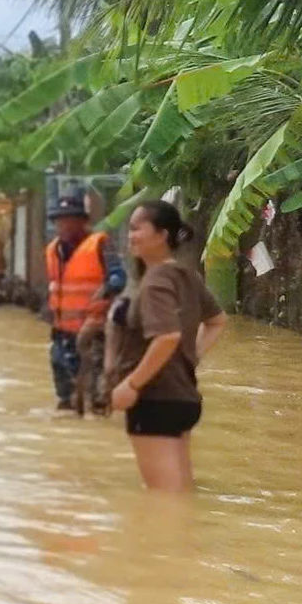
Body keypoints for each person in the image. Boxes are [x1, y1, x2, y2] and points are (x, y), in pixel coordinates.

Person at [107, 200, 228, 491]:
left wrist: (132, 385)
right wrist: (191, 357)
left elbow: (167, 336)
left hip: (155, 400)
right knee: (181, 494)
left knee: (165, 501)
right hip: (183, 398)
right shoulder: (186, 275)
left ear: (162, 235)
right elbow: (218, 321)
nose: (130, 236)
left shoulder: (155, 282)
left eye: (137, 229)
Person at [45, 194, 125, 410]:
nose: (63, 225)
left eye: (69, 219)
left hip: (93, 334)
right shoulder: (53, 250)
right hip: (62, 334)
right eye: (59, 220)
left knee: (96, 398)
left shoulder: (100, 244)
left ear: (82, 221)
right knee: (66, 398)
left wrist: (107, 289)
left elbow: (118, 277)